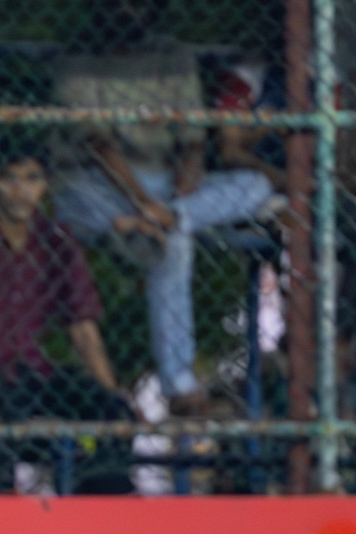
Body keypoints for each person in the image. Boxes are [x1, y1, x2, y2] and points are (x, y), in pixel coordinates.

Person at [50, 0, 273, 415]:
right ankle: (180, 383)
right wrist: (143, 202)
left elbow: (191, 139)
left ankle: (167, 222)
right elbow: (99, 144)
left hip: (165, 187)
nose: (125, 11)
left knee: (256, 185)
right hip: (96, 182)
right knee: (172, 243)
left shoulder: (173, 57)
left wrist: (181, 191)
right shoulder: (76, 60)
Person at [0, 137, 131, 492]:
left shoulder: (55, 239)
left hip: (31, 371)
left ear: (45, 185)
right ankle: (1, 509)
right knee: (1, 416)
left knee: (115, 413)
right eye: (9, 178)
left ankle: (103, 507)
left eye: (32, 179)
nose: (21, 191)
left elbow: (83, 327)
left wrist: (111, 393)